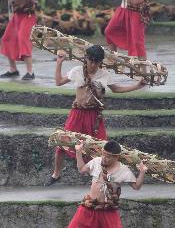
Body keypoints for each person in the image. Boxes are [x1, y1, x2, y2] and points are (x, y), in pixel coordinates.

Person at [45, 46, 145, 186]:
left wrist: (137, 86)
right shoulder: (77, 71)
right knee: (62, 143)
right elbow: (58, 82)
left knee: (102, 148)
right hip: (77, 113)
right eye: (90, 60)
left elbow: (116, 89)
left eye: (96, 62)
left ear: (100, 62)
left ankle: (105, 178)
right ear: (86, 58)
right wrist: (59, 62)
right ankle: (56, 174)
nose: (92, 64)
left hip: (94, 116)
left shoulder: (104, 75)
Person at [49, 140, 146, 228]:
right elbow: (82, 169)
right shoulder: (96, 162)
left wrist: (142, 172)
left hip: (108, 211)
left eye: (108, 156)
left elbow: (136, 186)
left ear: (116, 157)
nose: (105, 158)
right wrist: (78, 152)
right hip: (89, 208)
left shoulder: (123, 170)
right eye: (104, 154)